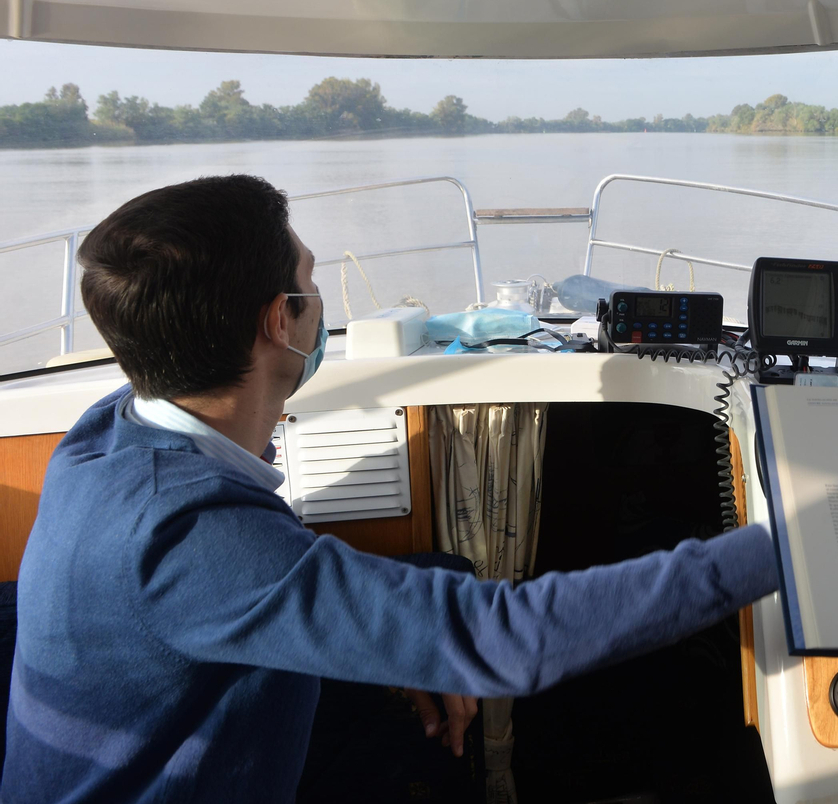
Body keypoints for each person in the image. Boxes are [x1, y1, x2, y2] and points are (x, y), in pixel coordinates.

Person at [2, 175, 779, 802]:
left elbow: (236, 581)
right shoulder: (187, 535)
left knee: (435, 569)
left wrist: (385, 646)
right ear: (283, 320)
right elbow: (508, 641)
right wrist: (783, 550)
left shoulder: (106, 433)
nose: (318, 299)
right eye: (309, 281)